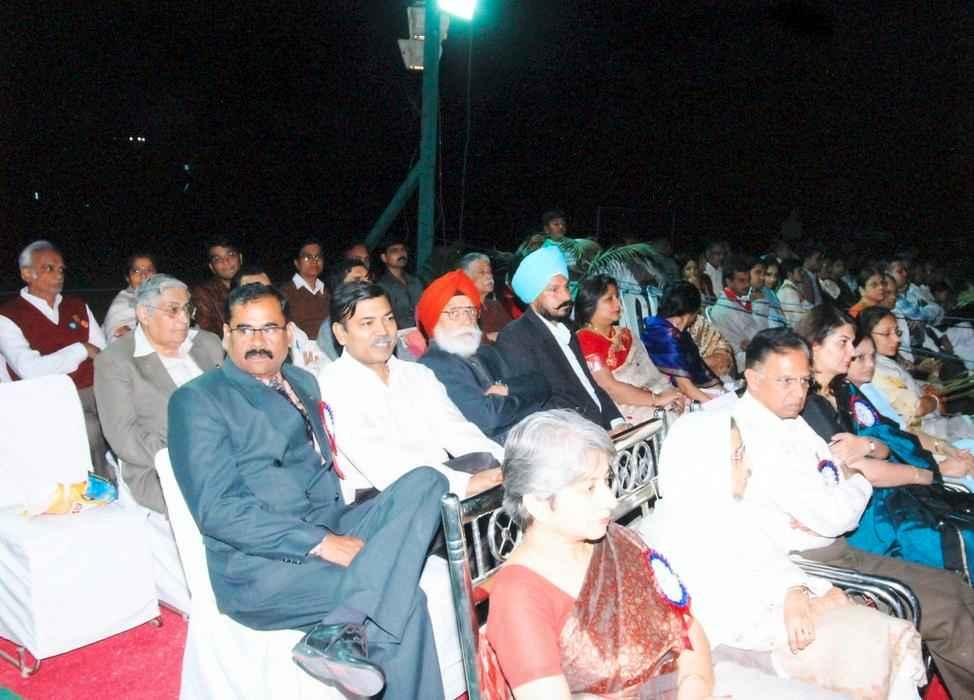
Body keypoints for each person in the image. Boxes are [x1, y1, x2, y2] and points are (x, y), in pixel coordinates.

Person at [168, 283, 448, 699]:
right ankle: (351, 619)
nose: (258, 341)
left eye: (269, 329)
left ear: (288, 334)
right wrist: (319, 543)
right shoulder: (198, 399)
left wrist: (340, 532)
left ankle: (341, 625)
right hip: (263, 564)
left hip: (330, 521)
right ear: (226, 334)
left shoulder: (303, 381)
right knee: (403, 605)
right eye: (245, 330)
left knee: (428, 481)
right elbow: (220, 511)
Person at [732, 326, 974, 698]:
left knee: (955, 587)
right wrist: (856, 477)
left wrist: (847, 478)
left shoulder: (790, 419)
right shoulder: (757, 434)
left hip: (837, 546)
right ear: (752, 378)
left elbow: (840, 476)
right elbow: (837, 514)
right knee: (946, 611)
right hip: (813, 564)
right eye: (785, 381)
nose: (798, 393)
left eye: (803, 381)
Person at [652, 410, 924, 699]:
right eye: (737, 456)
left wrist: (796, 591)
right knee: (871, 642)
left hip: (783, 624)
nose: (748, 466)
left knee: (886, 633)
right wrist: (811, 605)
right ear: (704, 465)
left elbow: (771, 562)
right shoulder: (672, 537)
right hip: (745, 654)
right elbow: (724, 627)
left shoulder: (727, 509)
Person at [485, 409, 721, 699]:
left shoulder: (621, 541)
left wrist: (695, 685)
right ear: (538, 504)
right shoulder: (518, 597)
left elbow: (688, 631)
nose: (610, 500)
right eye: (589, 488)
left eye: (606, 481)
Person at [317, 281, 504, 504]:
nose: (383, 331)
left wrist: (508, 464)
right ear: (341, 333)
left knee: (497, 462)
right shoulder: (333, 384)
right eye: (367, 323)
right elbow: (380, 463)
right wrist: (463, 485)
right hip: (380, 500)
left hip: (441, 481)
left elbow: (457, 431)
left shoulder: (417, 374)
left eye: (388, 319)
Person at [94, 274, 223, 514]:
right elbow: (124, 437)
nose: (184, 318)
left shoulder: (208, 343)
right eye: (173, 310)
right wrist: (191, 454)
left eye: (187, 309)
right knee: (227, 505)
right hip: (162, 468)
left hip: (229, 453)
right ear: (144, 314)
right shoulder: (115, 361)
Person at [0, 240, 110, 479]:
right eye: (48, 268)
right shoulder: (8, 316)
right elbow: (30, 370)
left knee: (134, 413)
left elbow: (103, 353)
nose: (58, 275)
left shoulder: (77, 306)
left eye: (61, 269)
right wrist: (81, 349)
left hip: (96, 389)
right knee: (90, 430)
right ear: (26, 274)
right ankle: (100, 486)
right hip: (48, 396)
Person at [495, 247, 624, 431]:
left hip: (603, 427)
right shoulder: (515, 336)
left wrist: (618, 422)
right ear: (533, 295)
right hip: (572, 434)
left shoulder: (567, 328)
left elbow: (589, 384)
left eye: (566, 287)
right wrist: (594, 434)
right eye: (554, 289)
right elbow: (539, 404)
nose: (567, 296)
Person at [416, 271, 548, 443]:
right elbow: (488, 419)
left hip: (527, 433)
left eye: (470, 311)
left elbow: (541, 382)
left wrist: (507, 388)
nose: (466, 319)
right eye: (454, 313)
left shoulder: (486, 353)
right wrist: (525, 398)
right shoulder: (435, 364)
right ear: (433, 320)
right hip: (496, 450)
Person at [574, 275, 684, 423]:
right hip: (618, 410)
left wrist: (670, 393)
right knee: (667, 419)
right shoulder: (585, 339)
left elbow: (653, 376)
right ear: (589, 305)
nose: (618, 303)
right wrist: (657, 399)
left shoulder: (626, 335)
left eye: (617, 297)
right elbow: (609, 388)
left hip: (650, 398)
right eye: (609, 299)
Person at [862, 306, 974, 441]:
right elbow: (917, 409)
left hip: (934, 419)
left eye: (897, 332)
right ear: (866, 336)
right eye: (886, 334)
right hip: (929, 434)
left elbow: (907, 388)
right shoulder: (875, 370)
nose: (897, 339)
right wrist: (935, 399)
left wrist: (930, 383)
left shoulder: (883, 360)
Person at [641, 282, 724, 403]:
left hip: (690, 390)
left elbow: (699, 368)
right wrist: (718, 404)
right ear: (690, 313)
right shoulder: (665, 336)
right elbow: (686, 388)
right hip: (670, 394)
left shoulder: (675, 331)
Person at [708, 255, 770, 371]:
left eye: (748, 280)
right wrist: (760, 304)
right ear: (728, 281)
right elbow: (760, 335)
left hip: (752, 353)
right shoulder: (723, 309)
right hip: (740, 362)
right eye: (741, 281)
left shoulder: (740, 300)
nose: (747, 285)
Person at [317, 258, 371, 361]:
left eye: (368, 279)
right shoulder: (328, 330)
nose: (367, 285)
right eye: (357, 280)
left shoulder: (382, 317)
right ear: (339, 286)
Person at [190, 237, 242, 336]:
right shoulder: (203, 294)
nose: (225, 261)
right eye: (217, 259)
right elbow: (208, 334)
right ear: (212, 267)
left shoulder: (255, 284)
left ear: (240, 258)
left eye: (230, 255)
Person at [280, 238, 329, 340]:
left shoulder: (328, 291)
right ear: (297, 263)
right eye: (307, 257)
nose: (314, 261)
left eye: (318, 257)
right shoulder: (285, 292)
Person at [103, 252, 156, 341]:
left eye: (149, 270)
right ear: (128, 278)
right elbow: (117, 340)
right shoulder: (122, 303)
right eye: (136, 271)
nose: (144, 275)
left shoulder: (167, 296)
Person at [458, 252, 511, 342]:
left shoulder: (494, 306)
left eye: (489, 272)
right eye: (481, 273)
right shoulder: (457, 307)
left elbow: (513, 332)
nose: (489, 276)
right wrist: (488, 337)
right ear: (466, 277)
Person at [376, 239, 424, 329]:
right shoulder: (381, 286)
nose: (401, 253)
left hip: (422, 331)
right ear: (384, 258)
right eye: (394, 251)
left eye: (403, 249)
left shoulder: (416, 281)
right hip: (398, 334)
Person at [777, 257, 814, 327]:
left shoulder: (792, 289)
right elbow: (799, 318)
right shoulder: (788, 291)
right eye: (799, 271)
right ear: (789, 274)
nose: (803, 273)